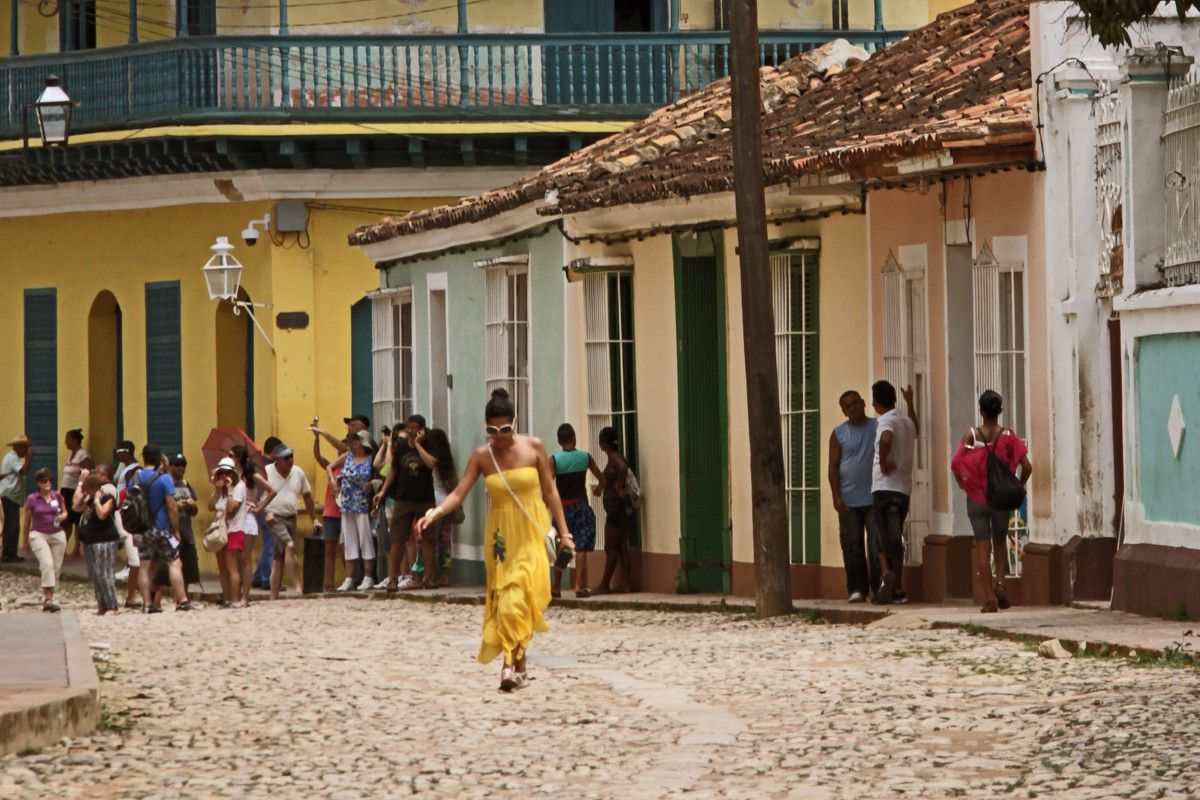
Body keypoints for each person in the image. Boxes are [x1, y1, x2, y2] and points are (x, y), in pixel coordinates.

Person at [415, 388, 574, 692]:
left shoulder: (534, 447)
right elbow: (459, 492)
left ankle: (507, 667)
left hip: (531, 530)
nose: (498, 436)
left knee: (520, 594)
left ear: (514, 424)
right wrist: (434, 513)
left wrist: (564, 534)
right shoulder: (482, 456)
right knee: (507, 599)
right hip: (501, 537)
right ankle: (520, 665)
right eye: (491, 430)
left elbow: (551, 491)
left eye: (504, 429)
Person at [829, 388, 918, 603]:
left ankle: (881, 587)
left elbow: (907, 429)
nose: (852, 407)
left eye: (855, 402)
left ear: (864, 403)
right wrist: (836, 496)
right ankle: (857, 589)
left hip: (873, 497)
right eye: (847, 406)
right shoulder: (838, 433)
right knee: (852, 545)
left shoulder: (878, 424)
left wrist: (910, 405)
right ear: (843, 411)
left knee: (878, 544)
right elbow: (833, 465)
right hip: (848, 499)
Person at [951, 390, 1033, 613]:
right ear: (1000, 411)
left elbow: (958, 461)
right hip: (1000, 500)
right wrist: (1017, 486)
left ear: (981, 412)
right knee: (999, 543)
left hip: (977, 499)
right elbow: (1027, 467)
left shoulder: (972, 436)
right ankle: (1000, 583)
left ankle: (989, 598)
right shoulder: (1008, 436)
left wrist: (962, 481)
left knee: (982, 547)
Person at [372, 416, 435, 592]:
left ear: (422, 429)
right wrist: (383, 491)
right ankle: (393, 578)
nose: (411, 431)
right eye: (409, 428)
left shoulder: (429, 444)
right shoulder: (400, 446)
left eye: (415, 428)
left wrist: (419, 445)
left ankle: (428, 578)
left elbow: (431, 464)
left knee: (428, 538)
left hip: (425, 498)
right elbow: (393, 469)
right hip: (403, 498)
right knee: (398, 538)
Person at [870, 381, 918, 606]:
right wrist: (910, 402)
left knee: (880, 536)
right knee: (894, 537)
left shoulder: (885, 421)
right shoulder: (906, 421)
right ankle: (896, 588)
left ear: (876, 403)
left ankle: (887, 574)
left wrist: (885, 462)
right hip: (903, 490)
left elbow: (886, 438)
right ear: (895, 399)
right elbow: (915, 427)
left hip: (884, 487)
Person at [133, 444, 194, 612]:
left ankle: (147, 604)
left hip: (142, 528)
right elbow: (172, 506)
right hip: (161, 527)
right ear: (159, 459)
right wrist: (176, 529)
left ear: (143, 458)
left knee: (144, 567)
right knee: (174, 563)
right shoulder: (164, 478)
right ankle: (182, 600)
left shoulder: (136, 478)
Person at [263, 443, 322, 600]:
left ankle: (272, 597)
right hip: (273, 517)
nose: (290, 460)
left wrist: (314, 519)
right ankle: (298, 585)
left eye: (291, 457)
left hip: (291, 517)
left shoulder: (298, 472)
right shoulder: (266, 473)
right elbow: (256, 498)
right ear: (277, 460)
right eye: (286, 458)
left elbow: (307, 496)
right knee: (290, 546)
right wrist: (265, 512)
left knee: (278, 560)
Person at [550, 423, 603, 599]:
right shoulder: (585, 457)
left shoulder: (555, 460)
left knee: (562, 547)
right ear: (574, 438)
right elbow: (601, 478)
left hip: (562, 509)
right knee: (580, 547)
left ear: (559, 441)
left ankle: (557, 585)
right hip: (581, 506)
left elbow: (549, 487)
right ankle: (579, 586)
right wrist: (599, 489)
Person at [328, 430, 377, 591]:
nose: (355, 442)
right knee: (349, 541)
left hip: (363, 503)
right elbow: (330, 466)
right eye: (353, 440)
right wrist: (334, 482)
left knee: (365, 539)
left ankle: (368, 577)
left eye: (358, 440)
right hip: (347, 502)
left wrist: (373, 484)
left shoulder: (371, 459)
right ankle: (349, 578)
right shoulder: (348, 456)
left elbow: (380, 473)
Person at [230, 445, 276, 606]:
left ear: (238, 457)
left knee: (245, 559)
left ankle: (245, 597)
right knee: (235, 558)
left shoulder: (252, 476)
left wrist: (260, 506)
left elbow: (272, 490)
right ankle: (237, 594)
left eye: (232, 455)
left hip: (248, 518)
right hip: (235, 518)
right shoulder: (234, 476)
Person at [93, 462, 143, 608]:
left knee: (109, 565)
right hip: (121, 531)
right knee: (131, 563)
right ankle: (128, 596)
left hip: (122, 531)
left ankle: (124, 596)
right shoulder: (114, 490)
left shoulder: (108, 489)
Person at [415, 428, 460, 588]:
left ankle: (429, 574)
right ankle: (445, 575)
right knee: (444, 541)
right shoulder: (448, 463)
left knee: (427, 541)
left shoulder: (429, 460)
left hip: (432, 506)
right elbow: (455, 485)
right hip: (446, 505)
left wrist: (418, 445)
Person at [74, 472, 121, 615]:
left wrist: (96, 500)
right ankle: (102, 605)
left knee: (105, 573)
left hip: (106, 539)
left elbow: (102, 514)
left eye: (88, 488)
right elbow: (76, 507)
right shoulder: (89, 499)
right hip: (93, 541)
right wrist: (83, 493)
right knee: (96, 574)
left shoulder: (107, 497)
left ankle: (112, 605)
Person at [21, 467, 67, 612]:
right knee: (47, 563)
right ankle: (47, 599)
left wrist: (63, 517)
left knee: (56, 566)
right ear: (38, 483)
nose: (47, 483)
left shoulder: (57, 496)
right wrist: (25, 542)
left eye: (49, 480)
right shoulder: (32, 499)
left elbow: (65, 512)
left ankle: (51, 596)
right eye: (43, 481)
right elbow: (27, 521)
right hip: (38, 533)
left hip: (57, 532)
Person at [593, 426, 633, 595]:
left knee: (610, 546)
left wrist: (619, 486)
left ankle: (604, 584)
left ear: (603, 443)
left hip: (616, 508)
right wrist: (600, 489)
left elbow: (623, 468)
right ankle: (625, 583)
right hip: (618, 507)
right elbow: (606, 478)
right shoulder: (612, 459)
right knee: (622, 546)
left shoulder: (615, 458)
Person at [209, 457, 248, 608]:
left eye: (227, 473)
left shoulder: (239, 487)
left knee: (231, 566)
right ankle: (227, 599)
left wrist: (230, 490)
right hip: (220, 531)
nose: (224, 476)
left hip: (234, 529)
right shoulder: (220, 490)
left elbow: (232, 508)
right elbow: (210, 506)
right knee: (222, 567)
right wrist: (217, 489)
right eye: (221, 473)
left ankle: (235, 600)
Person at [313, 428, 344, 593]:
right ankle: (330, 583)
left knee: (347, 549)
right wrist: (317, 438)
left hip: (346, 512)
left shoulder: (351, 467)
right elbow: (318, 457)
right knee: (329, 551)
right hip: (330, 513)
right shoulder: (331, 468)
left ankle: (349, 580)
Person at [250, 436, 283, 589]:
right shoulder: (268, 468)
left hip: (260, 509)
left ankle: (258, 576)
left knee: (268, 543)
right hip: (266, 509)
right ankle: (266, 579)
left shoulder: (258, 465)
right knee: (270, 545)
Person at [1, 434, 34, 563]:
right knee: (12, 525)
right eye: (25, 449)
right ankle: (9, 553)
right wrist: (30, 458)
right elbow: (23, 471)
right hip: (10, 496)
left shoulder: (11, 457)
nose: (26, 451)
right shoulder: (12, 458)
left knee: (11, 525)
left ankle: (8, 552)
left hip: (11, 495)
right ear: (19, 447)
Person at [61, 428, 92, 559]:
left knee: (76, 520)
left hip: (75, 490)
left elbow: (86, 471)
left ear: (75, 440)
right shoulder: (71, 454)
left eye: (68, 439)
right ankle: (62, 549)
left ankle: (76, 549)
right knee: (66, 520)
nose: (65, 442)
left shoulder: (82, 454)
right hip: (66, 490)